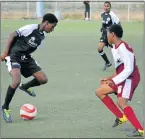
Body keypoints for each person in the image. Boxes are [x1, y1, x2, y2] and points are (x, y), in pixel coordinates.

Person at [1, 13, 58, 123]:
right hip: (14, 56)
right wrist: (5, 52)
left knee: (43, 79)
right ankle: (5, 107)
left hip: (26, 59)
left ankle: (25, 87)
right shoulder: (30, 28)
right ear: (46, 23)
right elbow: (13, 35)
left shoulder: (42, 36)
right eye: (52, 26)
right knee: (16, 81)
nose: (52, 29)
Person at [95, 24, 144, 137]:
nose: (106, 36)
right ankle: (121, 117)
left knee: (121, 103)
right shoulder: (115, 48)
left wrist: (114, 81)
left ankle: (140, 130)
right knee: (99, 92)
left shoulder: (123, 48)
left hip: (130, 78)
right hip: (122, 77)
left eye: (107, 34)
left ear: (113, 34)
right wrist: (109, 78)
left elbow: (129, 69)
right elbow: (120, 69)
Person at [98, 1, 120, 71]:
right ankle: (107, 63)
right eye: (105, 6)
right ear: (103, 7)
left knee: (116, 49)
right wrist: (102, 28)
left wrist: (116, 32)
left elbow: (118, 24)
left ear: (110, 7)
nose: (106, 7)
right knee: (99, 48)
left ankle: (122, 62)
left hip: (111, 35)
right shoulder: (102, 14)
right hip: (104, 35)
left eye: (108, 6)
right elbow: (104, 23)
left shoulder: (112, 15)